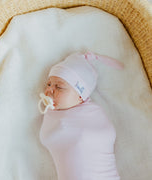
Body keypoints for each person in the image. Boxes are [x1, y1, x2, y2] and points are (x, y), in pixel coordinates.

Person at [39, 51, 123, 180]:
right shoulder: (53, 115)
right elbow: (49, 138)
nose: (50, 90)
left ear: (80, 95)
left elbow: (104, 134)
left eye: (59, 87)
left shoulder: (93, 114)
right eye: (49, 84)